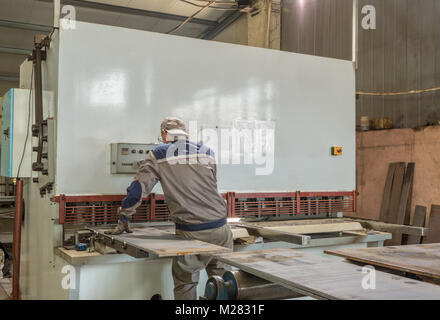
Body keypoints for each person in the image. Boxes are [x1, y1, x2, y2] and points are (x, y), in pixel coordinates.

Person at [105, 116, 233, 300]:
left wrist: (124, 217)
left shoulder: (159, 153)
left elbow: (137, 190)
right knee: (223, 284)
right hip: (222, 230)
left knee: (186, 284)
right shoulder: (207, 151)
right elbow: (210, 186)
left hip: (192, 234)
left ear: (164, 134)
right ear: (184, 133)